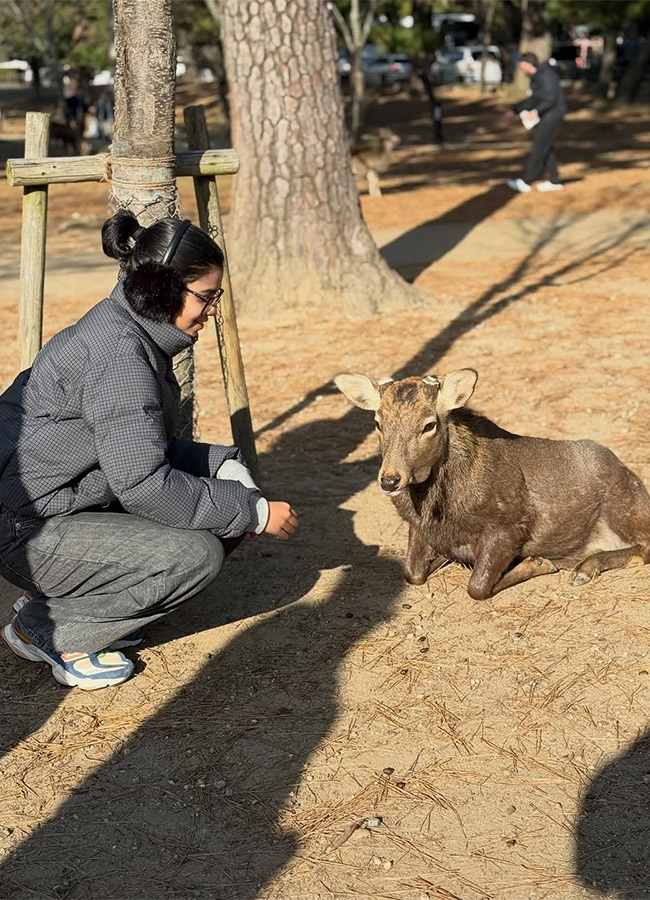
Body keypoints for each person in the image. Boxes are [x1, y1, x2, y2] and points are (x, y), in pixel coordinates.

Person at [0, 212, 298, 691]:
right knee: (196, 554)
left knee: (218, 513)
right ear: (163, 290)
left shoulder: (128, 329)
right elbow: (141, 484)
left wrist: (218, 464)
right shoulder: (121, 355)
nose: (214, 309)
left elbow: (134, 448)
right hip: (25, 529)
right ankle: (47, 629)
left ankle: (76, 602)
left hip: (54, 505)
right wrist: (251, 509)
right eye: (207, 296)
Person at [507, 52, 566, 193]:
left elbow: (550, 98)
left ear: (528, 64)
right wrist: (516, 110)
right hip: (547, 114)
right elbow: (535, 98)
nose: (521, 70)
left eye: (522, 67)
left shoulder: (546, 75)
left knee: (539, 148)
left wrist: (536, 111)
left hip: (553, 115)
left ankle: (526, 181)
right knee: (547, 146)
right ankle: (555, 180)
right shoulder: (537, 77)